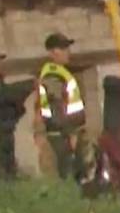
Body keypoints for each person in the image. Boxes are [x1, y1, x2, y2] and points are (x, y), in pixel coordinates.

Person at [37, 33, 88, 181]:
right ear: (53, 52)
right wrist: (70, 133)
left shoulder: (60, 72)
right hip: (62, 134)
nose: (68, 52)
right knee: (70, 174)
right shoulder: (54, 74)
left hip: (65, 132)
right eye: (64, 48)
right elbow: (57, 107)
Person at [0, 49, 32, 181]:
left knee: (9, 176)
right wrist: (32, 84)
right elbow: (5, 94)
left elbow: (11, 107)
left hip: (4, 137)